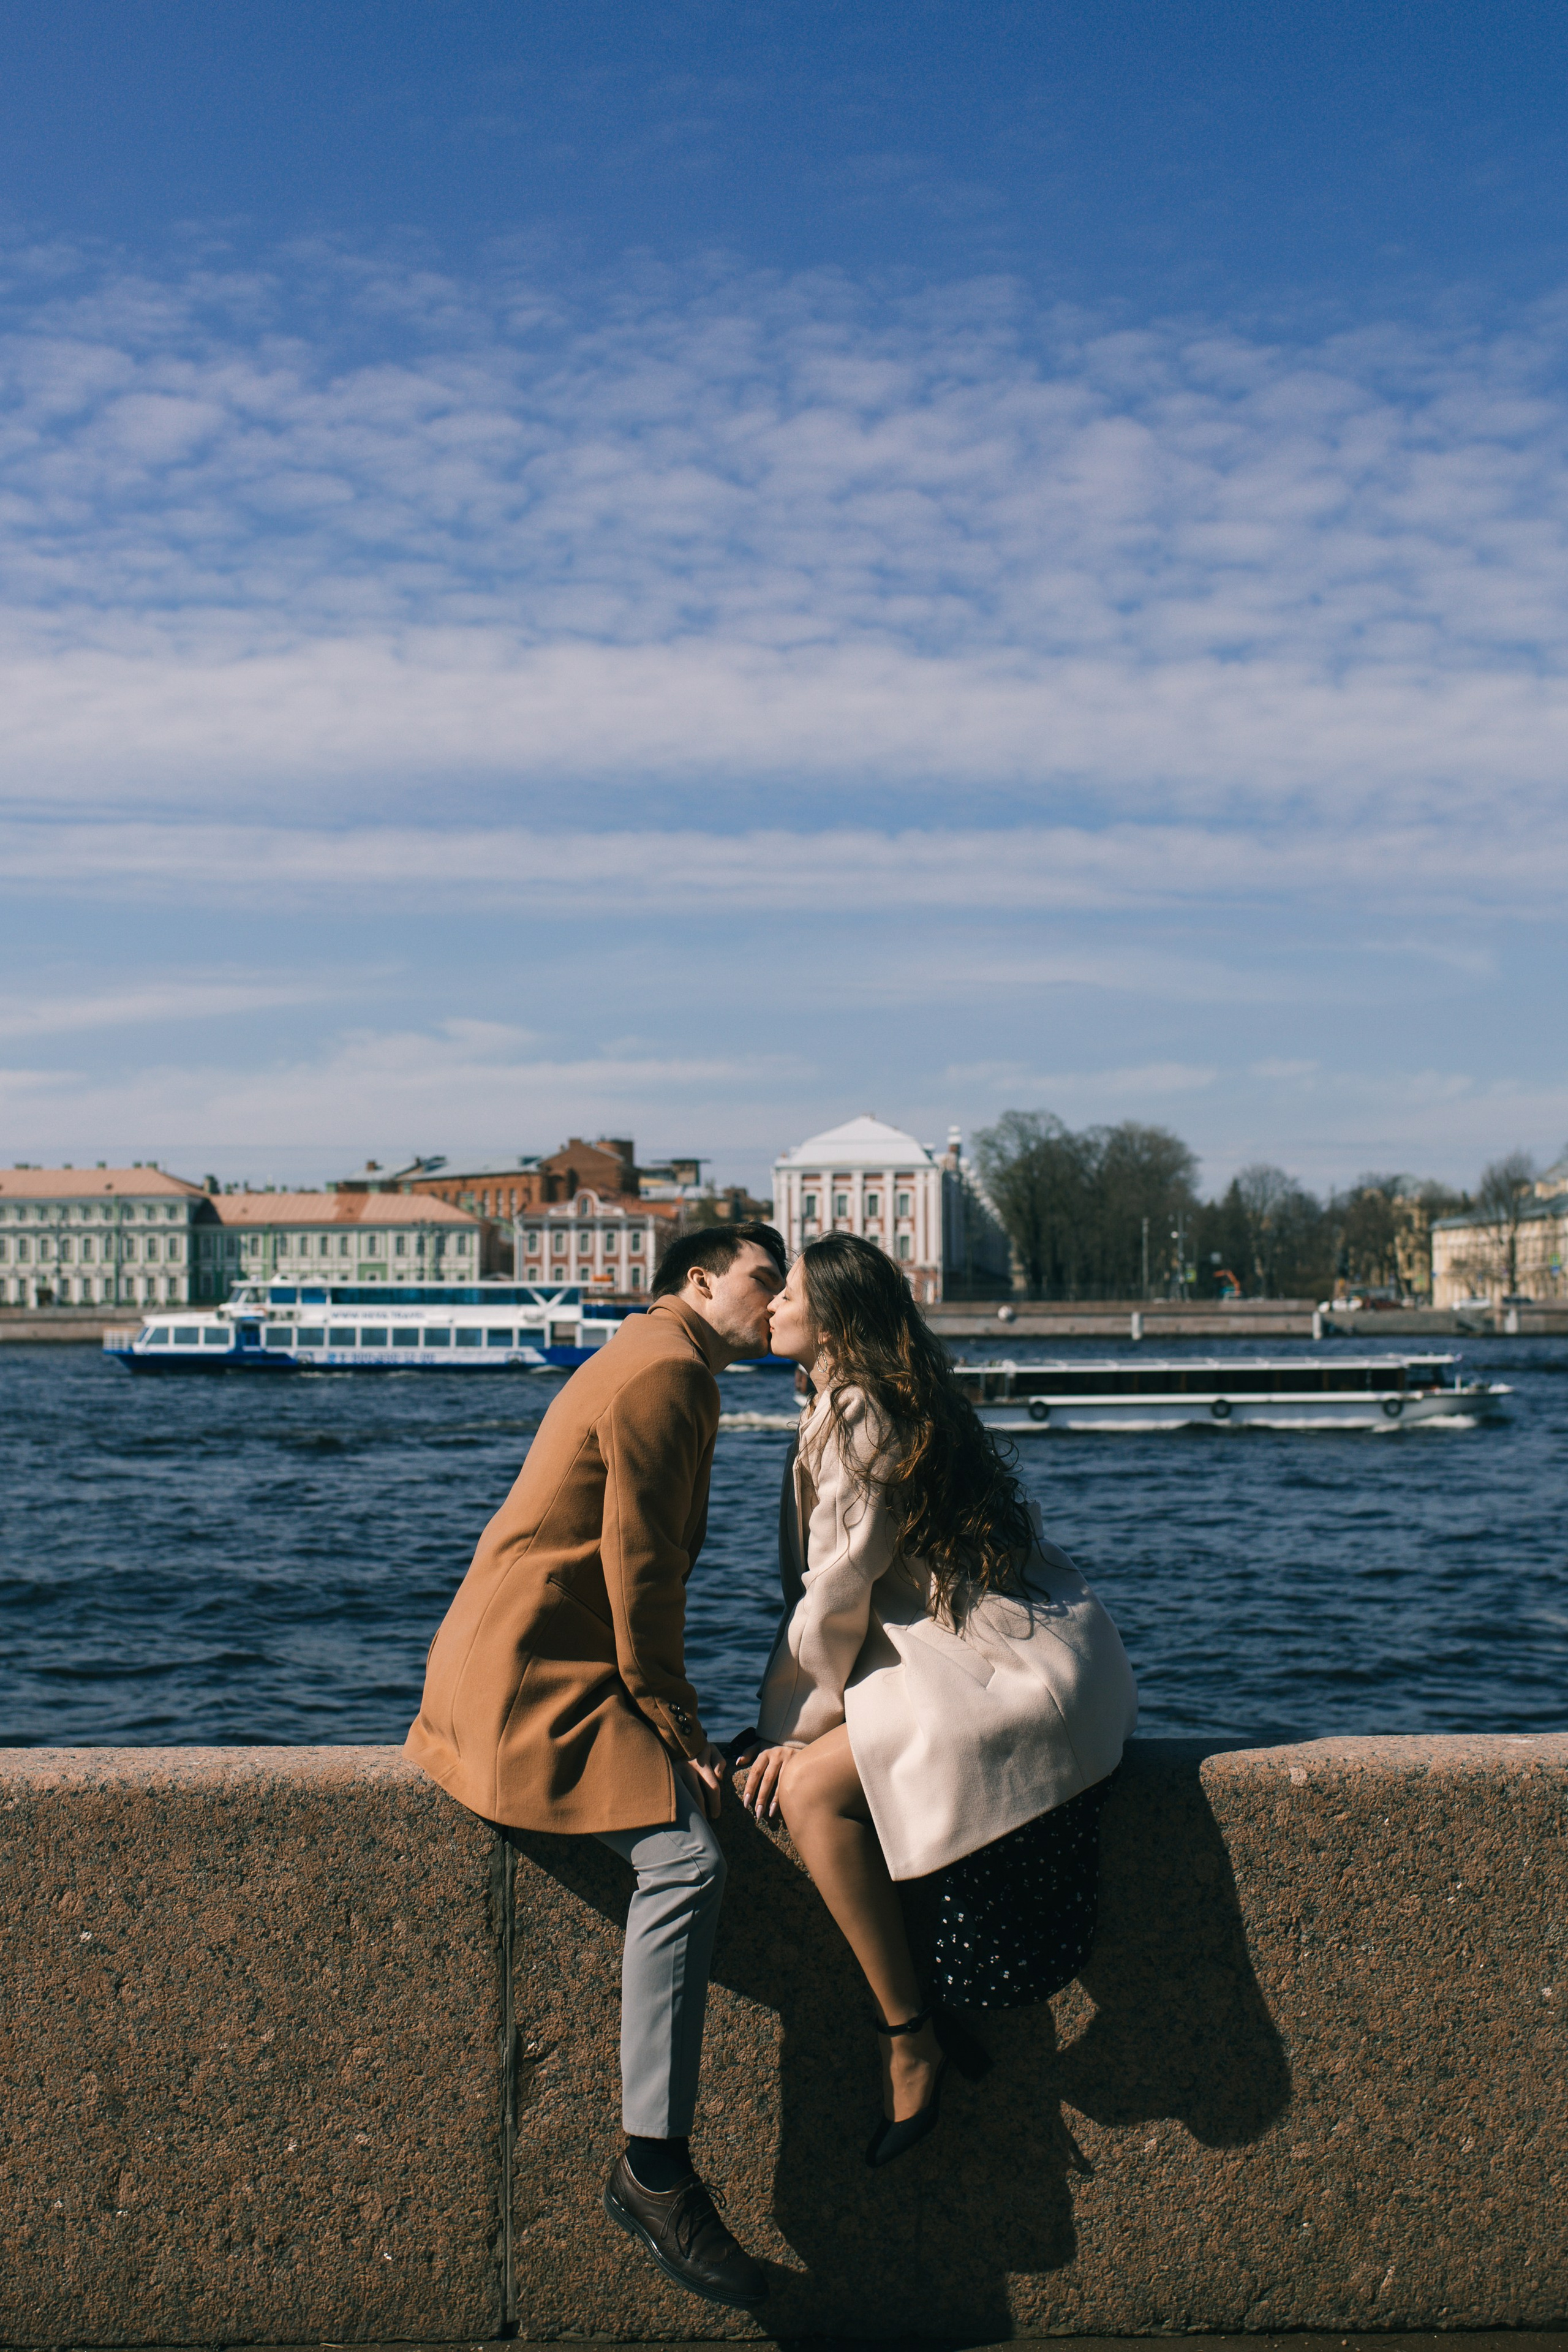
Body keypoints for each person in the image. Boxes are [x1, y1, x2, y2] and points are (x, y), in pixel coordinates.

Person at [405, 1222, 786, 2309]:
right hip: (540, 1677)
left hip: (522, 1657)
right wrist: (680, 1726)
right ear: (702, 1282)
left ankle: (655, 2166)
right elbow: (644, 1574)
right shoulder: (671, 1375)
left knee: (685, 1853)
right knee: (688, 1862)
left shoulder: (650, 1354)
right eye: (764, 1281)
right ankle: (652, 2167)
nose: (776, 1302)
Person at [737, 1234, 1137, 2166]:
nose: (770, 1308)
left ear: (830, 1316)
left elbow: (836, 1589)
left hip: (998, 1677)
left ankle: (906, 2034)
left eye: (786, 1292)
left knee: (807, 1794)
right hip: (1060, 1659)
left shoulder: (852, 1411)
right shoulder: (907, 1396)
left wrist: (783, 1732)